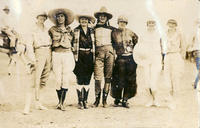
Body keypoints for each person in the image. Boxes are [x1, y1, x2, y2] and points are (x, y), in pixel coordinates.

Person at [48, 8, 75, 111]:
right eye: (58, 16)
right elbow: (49, 43)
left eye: (62, 16)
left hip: (67, 54)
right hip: (56, 54)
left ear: (65, 18)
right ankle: (59, 101)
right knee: (58, 79)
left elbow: (73, 44)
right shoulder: (52, 30)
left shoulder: (70, 30)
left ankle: (62, 103)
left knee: (66, 78)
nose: (60, 18)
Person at [111, 15, 138, 108]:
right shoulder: (114, 33)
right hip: (120, 58)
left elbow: (137, 43)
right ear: (118, 23)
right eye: (120, 22)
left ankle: (125, 99)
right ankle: (117, 98)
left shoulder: (131, 32)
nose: (122, 24)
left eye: (124, 22)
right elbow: (112, 45)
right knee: (118, 79)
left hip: (130, 58)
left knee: (130, 79)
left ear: (126, 23)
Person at [134, 20, 162, 107]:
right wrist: (141, 59)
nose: (151, 26)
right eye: (149, 25)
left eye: (153, 25)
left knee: (154, 81)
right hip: (146, 60)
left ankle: (156, 99)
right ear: (147, 25)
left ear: (155, 25)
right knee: (147, 81)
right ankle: (150, 99)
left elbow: (162, 47)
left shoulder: (159, 35)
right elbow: (139, 48)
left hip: (156, 59)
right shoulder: (143, 35)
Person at [93, 6, 115, 108]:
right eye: (101, 16)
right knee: (98, 77)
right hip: (98, 53)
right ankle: (97, 100)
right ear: (98, 17)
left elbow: (116, 42)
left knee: (108, 77)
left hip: (109, 53)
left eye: (104, 16)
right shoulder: (93, 28)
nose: (102, 18)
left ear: (107, 18)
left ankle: (104, 100)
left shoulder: (112, 29)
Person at [73, 12, 95, 109]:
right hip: (79, 56)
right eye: (82, 19)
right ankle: (80, 100)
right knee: (79, 78)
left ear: (88, 21)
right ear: (79, 20)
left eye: (85, 19)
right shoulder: (75, 30)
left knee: (87, 79)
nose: (84, 21)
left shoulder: (92, 31)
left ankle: (85, 100)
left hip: (89, 56)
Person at [164, 19, 185, 109]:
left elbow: (183, 46)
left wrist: (182, 58)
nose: (171, 25)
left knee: (175, 77)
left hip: (176, 55)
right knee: (167, 77)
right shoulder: (164, 33)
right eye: (170, 24)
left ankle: (176, 100)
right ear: (167, 24)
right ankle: (169, 97)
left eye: (173, 24)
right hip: (167, 56)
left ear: (176, 25)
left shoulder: (179, 33)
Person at [32, 12, 51, 110]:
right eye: (41, 17)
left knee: (45, 78)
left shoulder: (47, 29)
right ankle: (36, 101)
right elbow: (30, 44)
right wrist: (32, 57)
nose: (42, 19)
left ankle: (40, 102)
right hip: (38, 51)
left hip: (48, 51)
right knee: (37, 78)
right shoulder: (33, 29)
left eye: (44, 17)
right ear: (37, 17)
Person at [190, 19, 200, 89]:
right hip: (197, 51)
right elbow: (190, 43)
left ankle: (195, 83)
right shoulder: (194, 32)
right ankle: (195, 83)